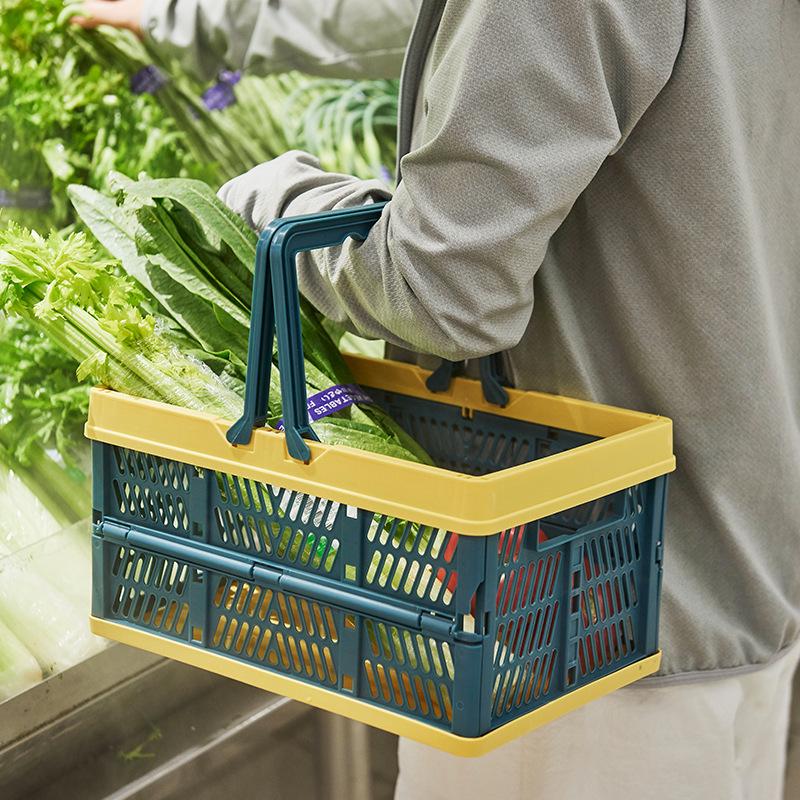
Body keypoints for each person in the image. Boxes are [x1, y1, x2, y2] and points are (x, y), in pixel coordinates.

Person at [73, 2, 800, 798]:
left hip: (571, 639)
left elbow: (440, 290)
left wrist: (271, 205)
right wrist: (191, 20)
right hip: (738, 572)